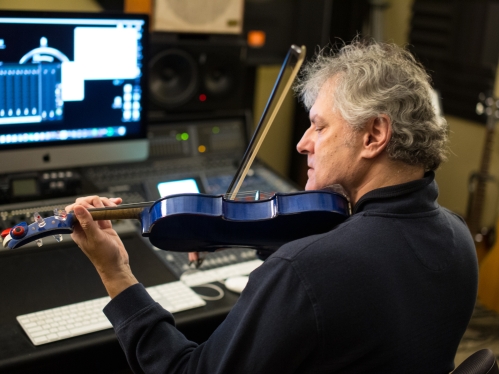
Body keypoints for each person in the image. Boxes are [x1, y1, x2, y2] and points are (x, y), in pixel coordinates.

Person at [66, 40, 478, 373]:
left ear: (374, 135)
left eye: (319, 125)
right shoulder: (458, 236)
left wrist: (115, 273)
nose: (302, 143)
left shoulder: (305, 271)